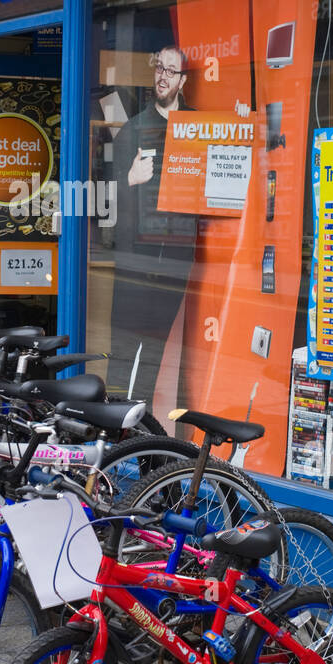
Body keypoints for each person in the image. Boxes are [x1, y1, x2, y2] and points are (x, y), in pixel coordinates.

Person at [107, 44, 198, 404]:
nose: (162, 75)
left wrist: (240, 118)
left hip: (176, 259)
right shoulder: (133, 130)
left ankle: (137, 425)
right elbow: (105, 201)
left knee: (155, 352)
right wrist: (128, 180)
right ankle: (114, 425)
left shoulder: (196, 125)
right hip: (135, 259)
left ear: (183, 80)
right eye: (159, 67)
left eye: (170, 71)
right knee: (123, 348)